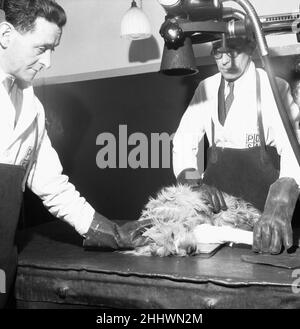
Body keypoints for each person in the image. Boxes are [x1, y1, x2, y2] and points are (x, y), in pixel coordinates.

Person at [0, 0, 147, 308]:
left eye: (53, 49)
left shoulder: (32, 109)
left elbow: (54, 187)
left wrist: (108, 232)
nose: (49, 62)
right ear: (5, 35)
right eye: (41, 49)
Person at [173, 35, 300, 255]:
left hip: (261, 218)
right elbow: (184, 140)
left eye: (232, 51)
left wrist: (280, 202)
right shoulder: (207, 88)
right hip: (217, 220)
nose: (224, 61)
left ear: (250, 48)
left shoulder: (274, 87)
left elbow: (294, 146)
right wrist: (194, 182)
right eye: (217, 52)